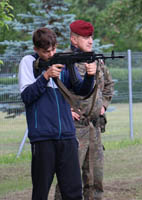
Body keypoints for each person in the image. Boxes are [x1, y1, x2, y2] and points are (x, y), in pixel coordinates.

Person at [18, 27, 96, 200]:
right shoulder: (28, 62)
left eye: (54, 49)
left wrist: (90, 76)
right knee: (41, 192)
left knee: (74, 192)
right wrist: (45, 76)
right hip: (43, 138)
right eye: (46, 52)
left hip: (67, 136)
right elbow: (27, 96)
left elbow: (81, 90)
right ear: (36, 49)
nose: (51, 54)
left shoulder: (63, 61)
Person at [54, 20, 114, 200]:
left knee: (96, 180)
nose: (90, 41)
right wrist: (65, 111)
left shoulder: (96, 60)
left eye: (91, 37)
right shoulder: (63, 62)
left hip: (94, 129)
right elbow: (55, 91)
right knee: (69, 180)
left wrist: (103, 105)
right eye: (85, 37)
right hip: (73, 128)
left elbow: (108, 85)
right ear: (74, 39)